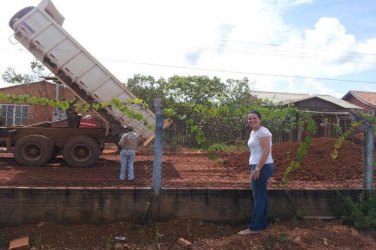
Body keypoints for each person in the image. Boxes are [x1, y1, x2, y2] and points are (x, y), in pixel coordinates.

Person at [238, 111, 275, 235]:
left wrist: (258, 168)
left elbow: (266, 151)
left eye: (254, 118)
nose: (251, 120)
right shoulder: (253, 132)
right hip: (257, 165)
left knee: (258, 198)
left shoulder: (263, 132)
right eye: (249, 119)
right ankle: (262, 224)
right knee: (262, 197)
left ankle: (254, 228)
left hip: (262, 166)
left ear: (260, 119)